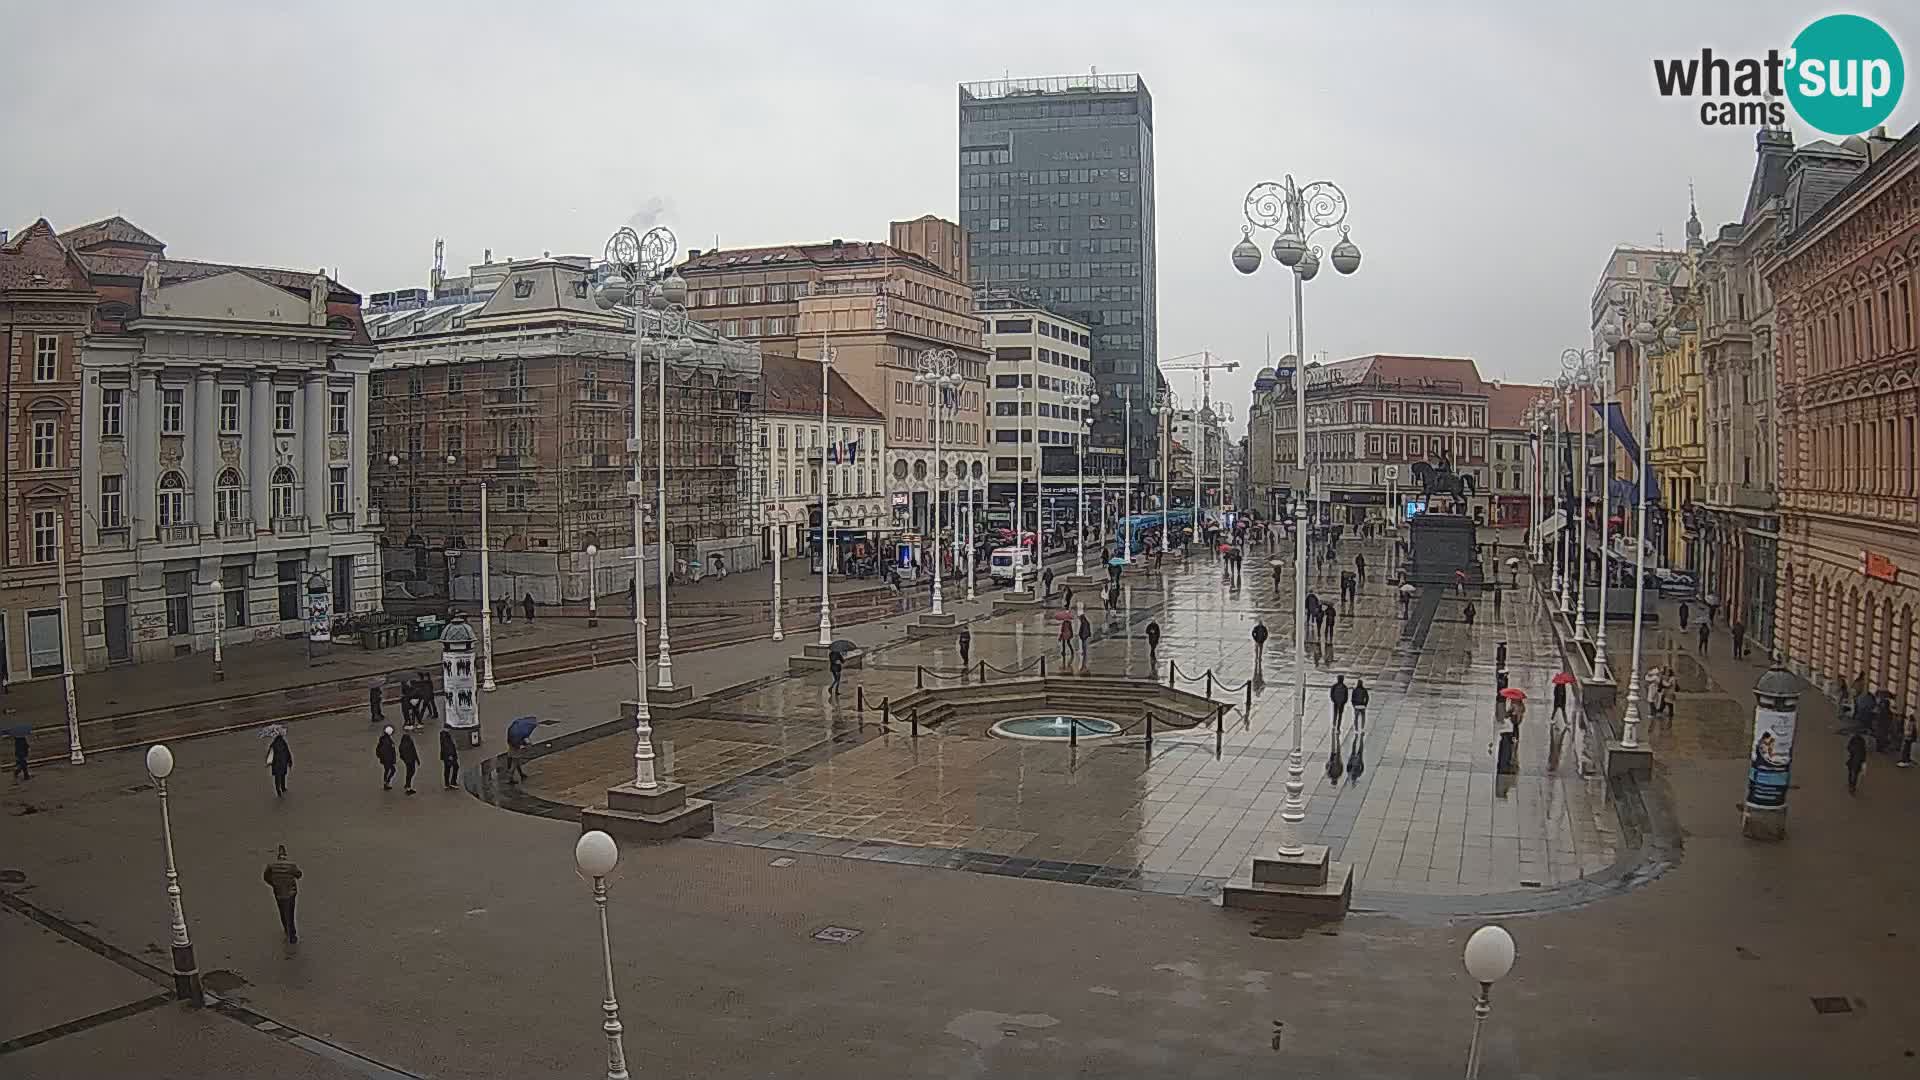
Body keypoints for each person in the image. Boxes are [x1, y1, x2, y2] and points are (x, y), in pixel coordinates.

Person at [263, 845, 303, 944]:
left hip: (279, 892)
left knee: (282, 912)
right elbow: (299, 875)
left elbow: (266, 877)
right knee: (290, 913)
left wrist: (273, 884)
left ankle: (286, 930)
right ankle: (292, 935)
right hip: (291, 893)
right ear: (285, 856)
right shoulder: (291, 866)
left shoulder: (271, 866)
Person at [398, 730, 420, 795]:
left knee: (410, 772)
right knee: (411, 772)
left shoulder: (402, 744)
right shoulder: (408, 743)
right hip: (410, 761)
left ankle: (407, 784)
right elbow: (414, 751)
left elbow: (402, 754)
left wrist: (404, 760)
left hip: (409, 761)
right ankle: (408, 787)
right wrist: (417, 760)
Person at [1846, 730, 1868, 794]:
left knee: (1851, 772)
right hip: (1858, 760)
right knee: (1855, 774)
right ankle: (1852, 785)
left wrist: (1851, 751)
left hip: (1854, 760)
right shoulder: (1862, 741)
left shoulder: (1854, 739)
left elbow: (1849, 747)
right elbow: (1864, 752)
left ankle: (1851, 784)